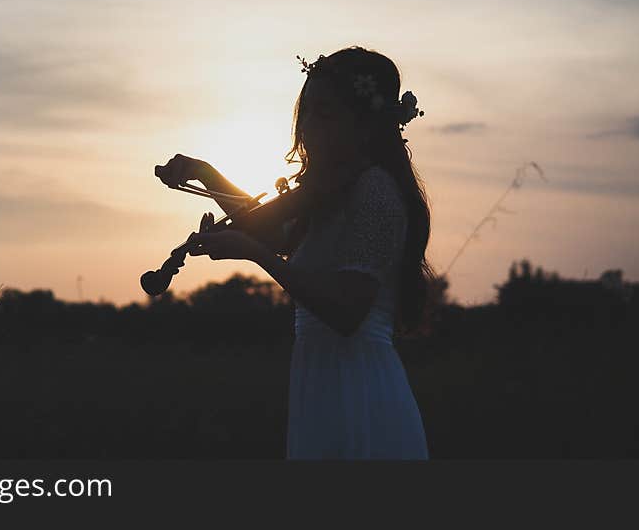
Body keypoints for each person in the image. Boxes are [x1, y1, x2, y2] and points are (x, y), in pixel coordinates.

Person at [155, 45, 432, 459]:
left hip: (359, 390)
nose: (308, 128)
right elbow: (273, 229)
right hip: (321, 385)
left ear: (363, 123)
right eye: (307, 112)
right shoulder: (333, 190)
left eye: (324, 114)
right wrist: (204, 172)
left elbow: (346, 312)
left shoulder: (373, 190)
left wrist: (255, 254)